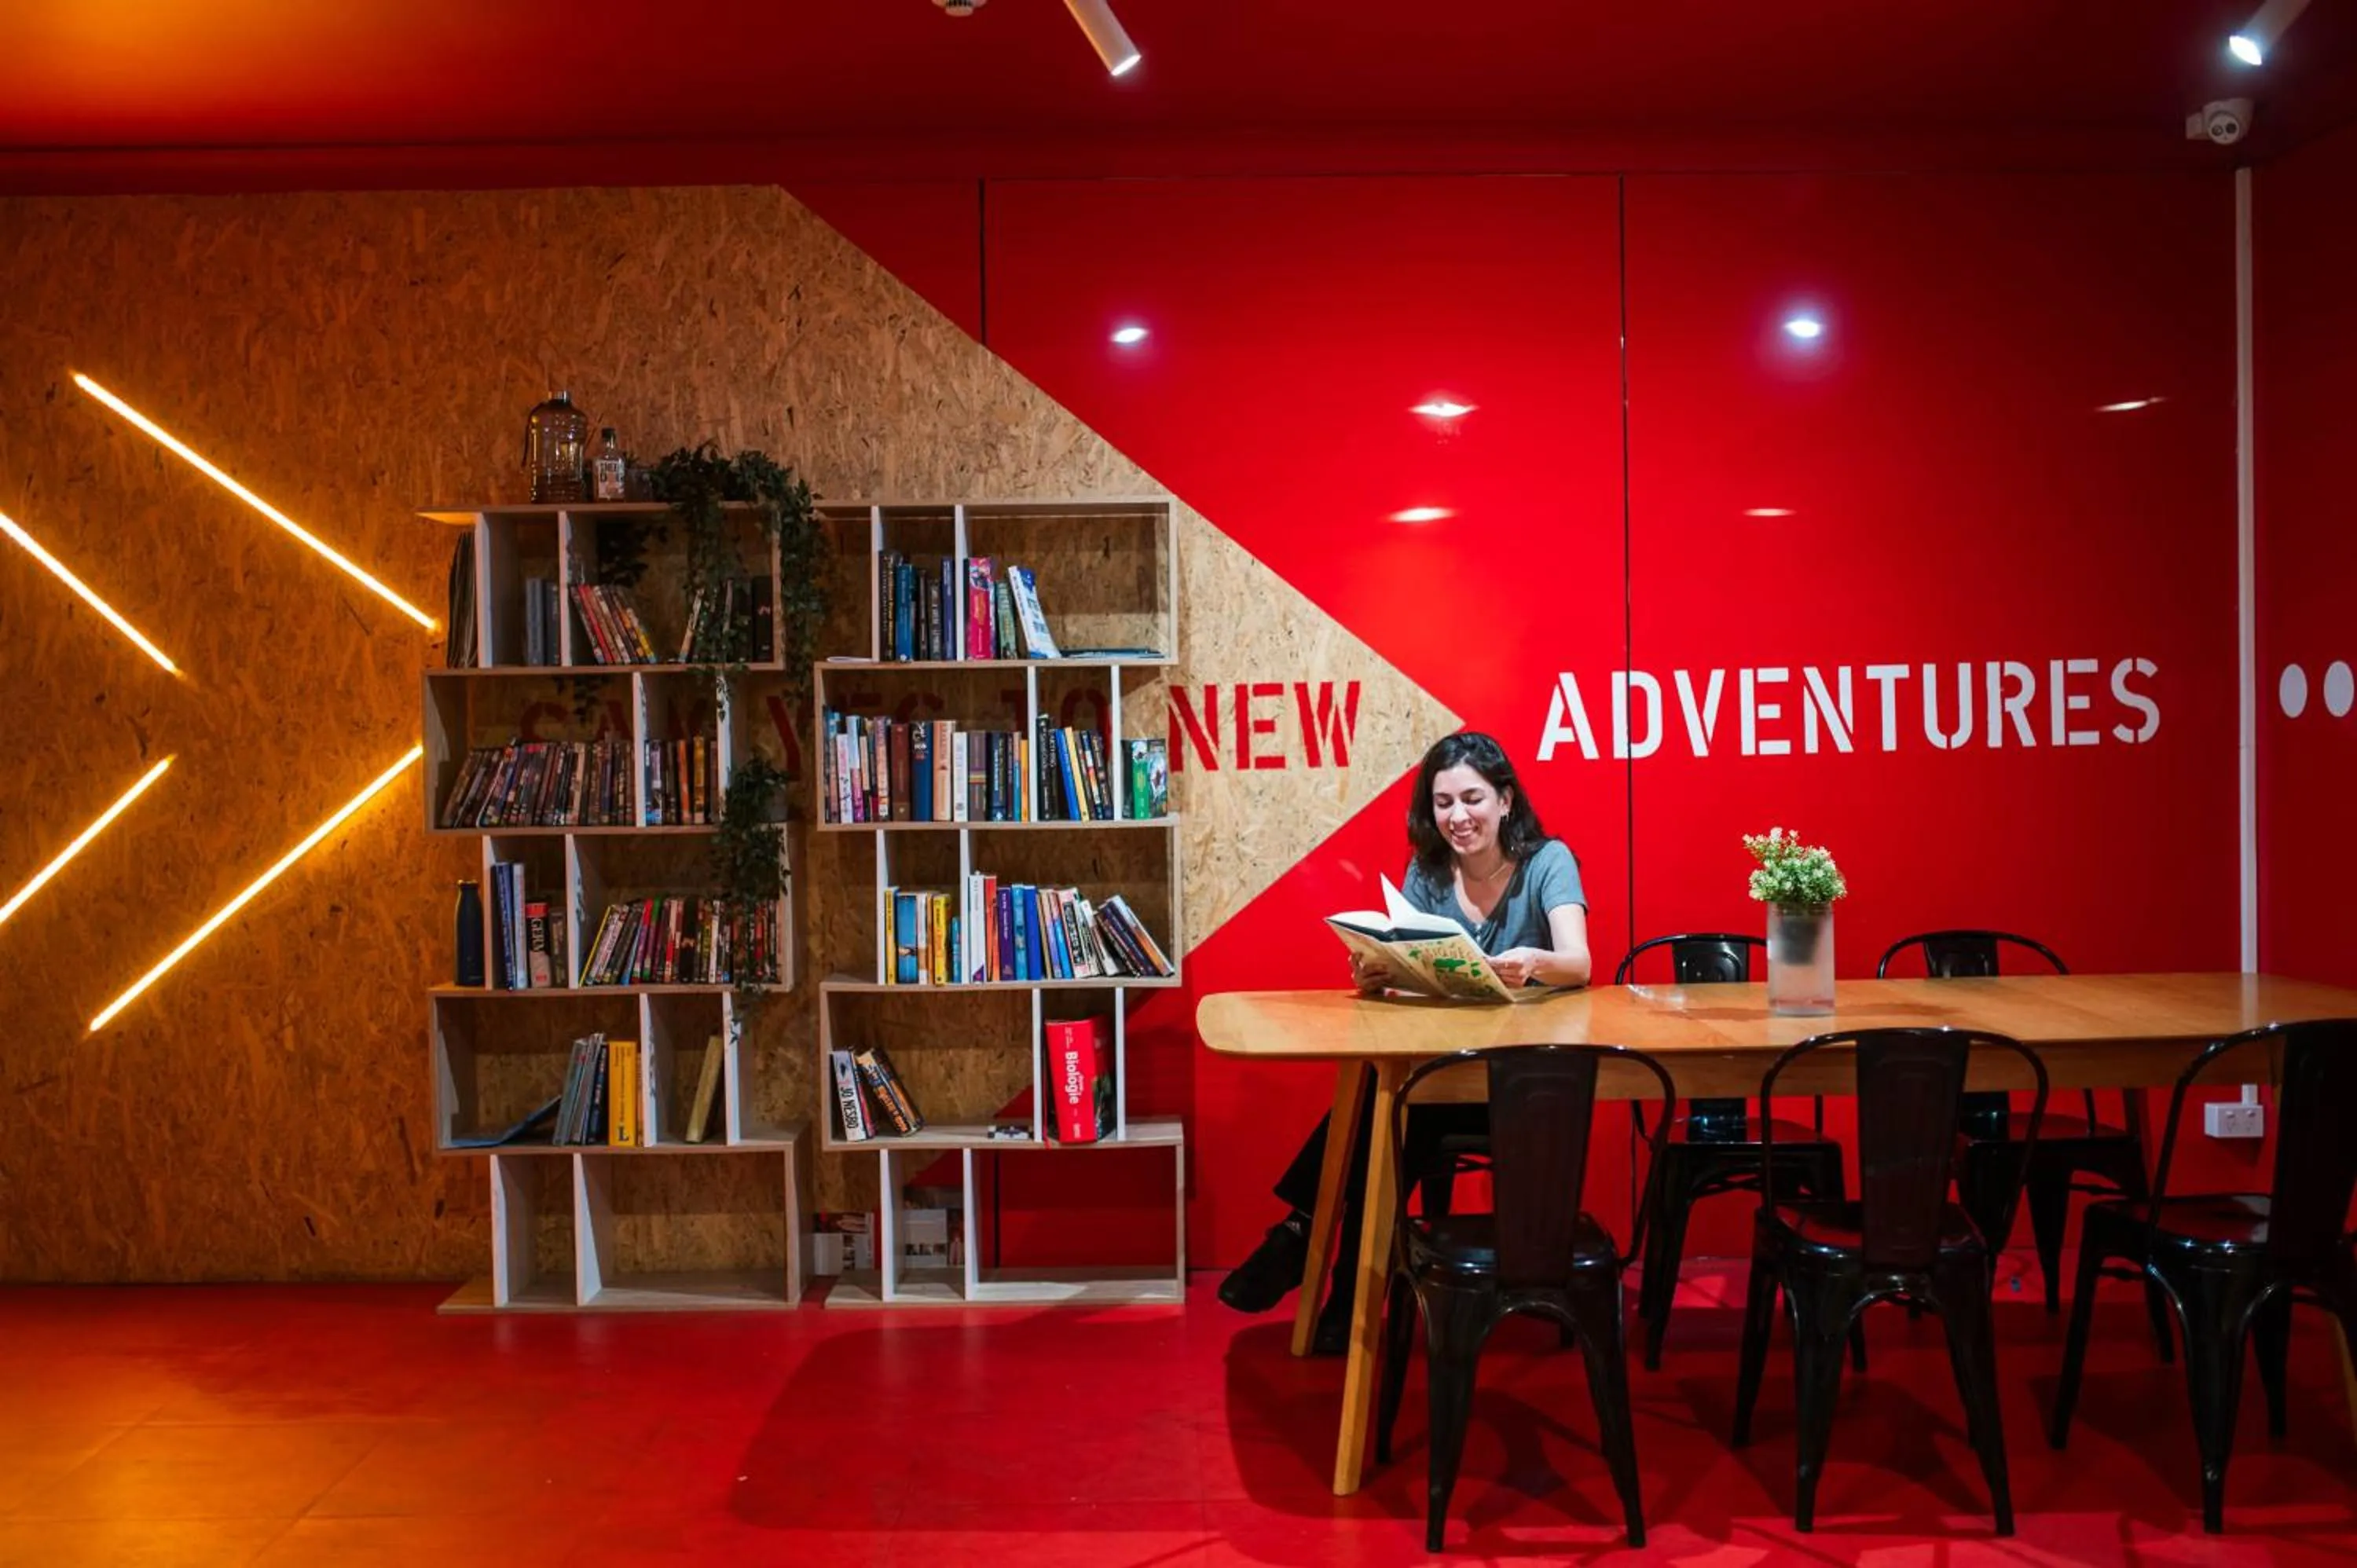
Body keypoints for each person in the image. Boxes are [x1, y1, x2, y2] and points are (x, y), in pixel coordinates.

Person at [1216, 730, 1590, 1350]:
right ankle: (1334, 1285)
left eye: (1472, 798)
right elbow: (1411, 964)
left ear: (1504, 800)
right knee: (1384, 1110)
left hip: (1521, 1079)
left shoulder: (1548, 861)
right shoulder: (1428, 870)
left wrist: (1532, 960)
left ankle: (1314, 1253)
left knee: (1385, 1122)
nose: (1458, 817)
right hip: (1444, 1070)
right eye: (1444, 803)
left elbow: (1579, 962)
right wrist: (1378, 970)